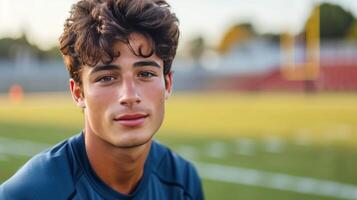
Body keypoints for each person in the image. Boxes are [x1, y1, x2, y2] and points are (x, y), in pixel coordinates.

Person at [0, 0, 204, 199]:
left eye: (146, 74)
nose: (130, 96)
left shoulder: (183, 181)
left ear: (167, 84)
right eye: (106, 78)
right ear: (78, 93)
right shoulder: (27, 193)